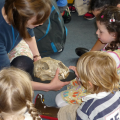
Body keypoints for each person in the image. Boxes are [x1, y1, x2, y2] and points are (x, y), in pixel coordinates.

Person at [56, 6, 120, 107]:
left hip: (103, 89)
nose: (96, 33)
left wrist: (80, 74)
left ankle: (89, 108)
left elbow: (96, 80)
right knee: (70, 81)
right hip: (102, 79)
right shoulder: (113, 43)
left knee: (59, 100)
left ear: (114, 34)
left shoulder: (111, 58)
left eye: (100, 31)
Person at [0, 0, 69, 91]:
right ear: (21, 18)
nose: (41, 24)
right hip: (3, 46)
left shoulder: (19, 10)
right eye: (38, 22)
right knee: (8, 86)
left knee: (24, 64)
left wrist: (37, 56)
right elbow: (7, 78)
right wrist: (48, 87)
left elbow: (29, 30)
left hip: (11, 40)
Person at [36, 51, 120, 120]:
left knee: (70, 110)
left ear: (89, 84)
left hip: (87, 113)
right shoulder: (117, 93)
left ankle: (42, 110)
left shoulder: (88, 107)